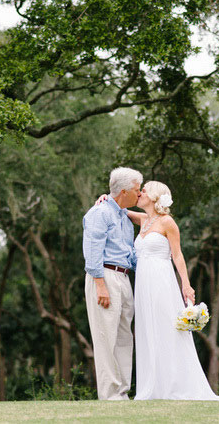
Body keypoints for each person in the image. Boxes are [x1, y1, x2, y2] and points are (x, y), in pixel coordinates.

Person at [98, 181, 219, 400]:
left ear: (153, 197)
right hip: (143, 283)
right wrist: (105, 198)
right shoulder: (143, 219)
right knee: (146, 329)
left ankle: (175, 384)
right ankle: (153, 385)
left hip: (162, 280)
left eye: (143, 192)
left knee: (166, 328)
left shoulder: (167, 222)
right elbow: (119, 208)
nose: (139, 194)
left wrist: (186, 284)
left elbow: (177, 255)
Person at [82, 167, 142, 400]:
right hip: (104, 276)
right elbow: (93, 249)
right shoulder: (100, 213)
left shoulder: (124, 217)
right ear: (124, 191)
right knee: (106, 337)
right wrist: (100, 285)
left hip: (124, 277)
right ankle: (110, 394)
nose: (139, 194)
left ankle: (123, 391)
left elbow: (129, 252)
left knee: (124, 337)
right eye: (137, 190)